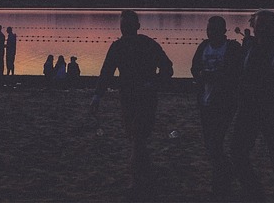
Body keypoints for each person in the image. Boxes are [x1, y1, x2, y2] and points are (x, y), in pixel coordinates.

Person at [90, 10, 174, 199]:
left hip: (146, 97)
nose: (125, 29)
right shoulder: (118, 47)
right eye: (123, 26)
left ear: (137, 26)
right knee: (137, 139)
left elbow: (167, 67)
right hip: (127, 98)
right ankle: (147, 174)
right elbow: (107, 71)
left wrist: (153, 82)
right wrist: (97, 96)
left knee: (137, 138)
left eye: (128, 25)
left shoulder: (148, 44)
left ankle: (136, 181)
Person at [231, 10, 274, 203]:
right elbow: (237, 75)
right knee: (237, 152)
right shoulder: (247, 49)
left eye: (265, 25)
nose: (260, 28)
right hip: (248, 111)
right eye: (258, 24)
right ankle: (256, 194)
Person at [191, 16, 243, 201]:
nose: (210, 32)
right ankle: (222, 175)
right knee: (210, 144)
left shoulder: (232, 48)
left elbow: (237, 73)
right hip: (205, 102)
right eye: (208, 29)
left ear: (223, 31)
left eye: (214, 29)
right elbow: (194, 67)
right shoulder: (203, 47)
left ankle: (223, 176)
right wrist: (200, 76)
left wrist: (219, 77)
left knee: (215, 141)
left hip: (225, 103)